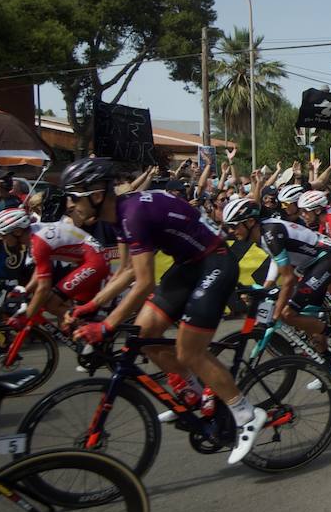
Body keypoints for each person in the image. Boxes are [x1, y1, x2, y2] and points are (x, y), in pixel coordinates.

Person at [63, 158, 267, 465]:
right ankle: (199, 395)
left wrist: (105, 327)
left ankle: (245, 413)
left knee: (189, 352)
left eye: (74, 196)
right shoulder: (119, 214)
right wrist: (89, 308)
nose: (69, 205)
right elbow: (127, 272)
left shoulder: (132, 214)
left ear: (95, 195)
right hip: (188, 267)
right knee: (145, 335)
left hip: (215, 263)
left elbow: (144, 284)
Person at [220, 195, 331, 371]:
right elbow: (277, 260)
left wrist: (276, 315)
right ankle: (330, 367)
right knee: (307, 322)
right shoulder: (263, 233)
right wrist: (266, 286)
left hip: (325, 260)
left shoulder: (269, 233)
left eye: (234, 226)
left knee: (288, 314)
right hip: (312, 265)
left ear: (250, 222)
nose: (231, 231)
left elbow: (288, 278)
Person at [0, 207, 111, 331]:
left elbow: (44, 288)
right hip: (91, 261)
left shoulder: (38, 243)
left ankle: (102, 328)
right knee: (82, 316)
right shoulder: (34, 235)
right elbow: (39, 271)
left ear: (17, 232)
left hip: (94, 262)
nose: (2, 239)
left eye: (3, 235)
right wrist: (25, 291)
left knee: (51, 303)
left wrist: (26, 317)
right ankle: (99, 334)